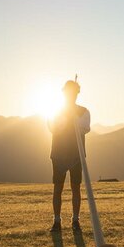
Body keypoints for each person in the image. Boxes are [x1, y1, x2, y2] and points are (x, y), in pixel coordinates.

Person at [48, 78, 90, 232]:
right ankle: (57, 221)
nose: (71, 95)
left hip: (76, 154)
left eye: (73, 93)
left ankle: (75, 220)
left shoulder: (84, 111)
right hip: (59, 153)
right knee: (57, 187)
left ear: (77, 94)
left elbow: (86, 128)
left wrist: (75, 120)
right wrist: (65, 120)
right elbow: (52, 127)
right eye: (68, 93)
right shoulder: (55, 110)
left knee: (75, 187)